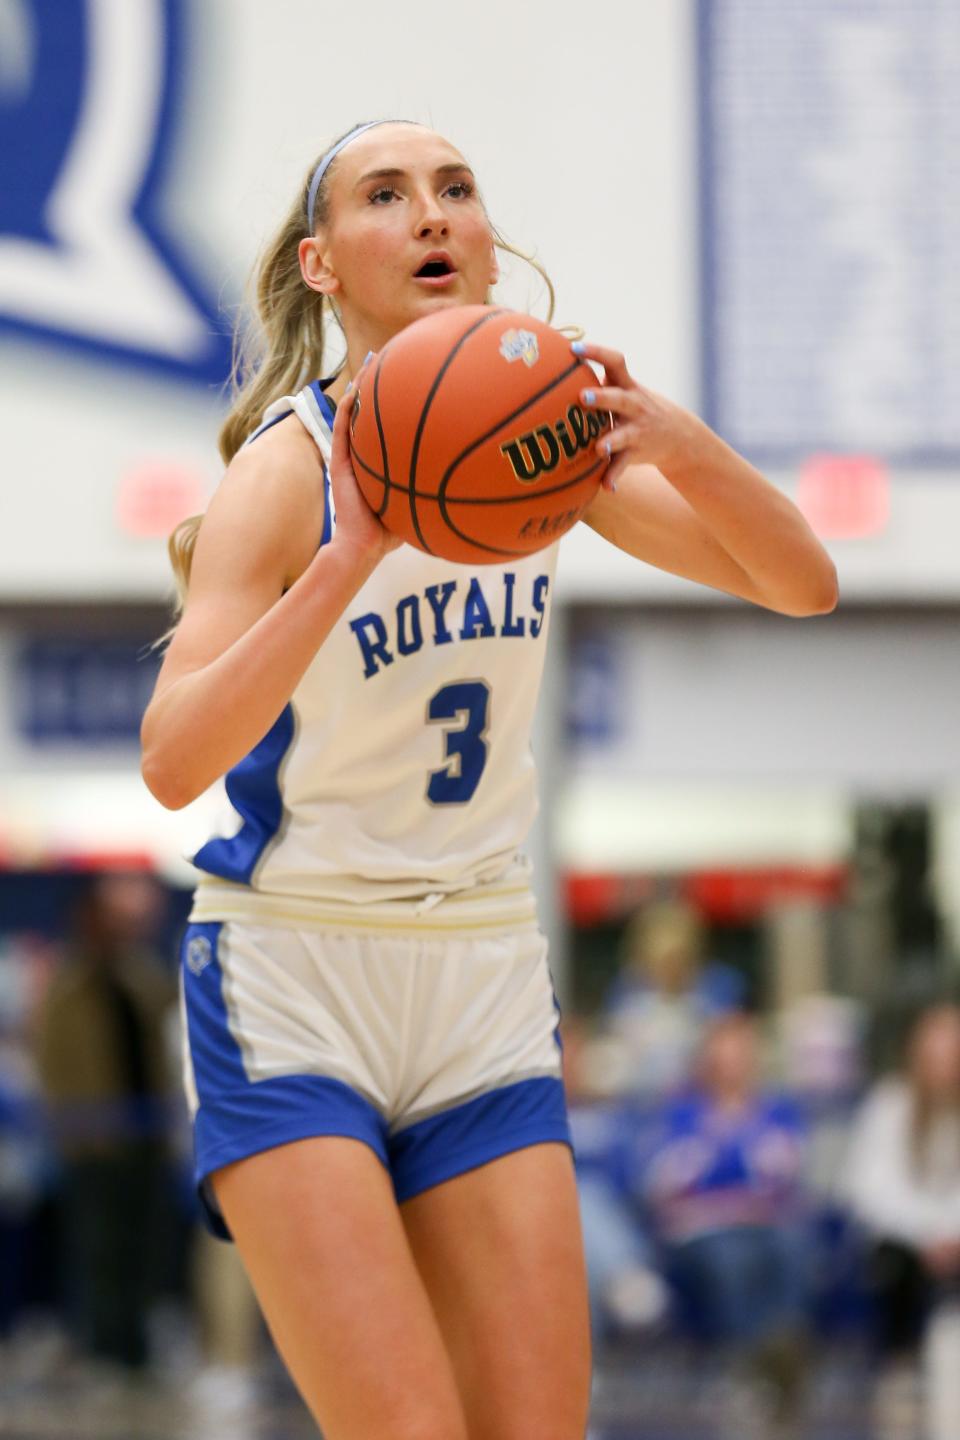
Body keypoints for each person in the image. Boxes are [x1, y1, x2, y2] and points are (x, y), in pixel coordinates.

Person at [140, 118, 837, 1439]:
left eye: (456, 189)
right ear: (323, 265)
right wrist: (346, 561)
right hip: (295, 971)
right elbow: (174, 762)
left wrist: (677, 439)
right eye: (387, 195)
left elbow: (803, 584)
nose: (433, 215)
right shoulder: (285, 476)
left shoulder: (545, 446)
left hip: (482, 970)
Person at [845, 1003, 960, 1440]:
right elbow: (869, 1191)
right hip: (906, 1244)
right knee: (892, 1264)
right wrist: (928, 1235)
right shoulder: (889, 1105)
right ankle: (901, 1373)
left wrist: (952, 1235)